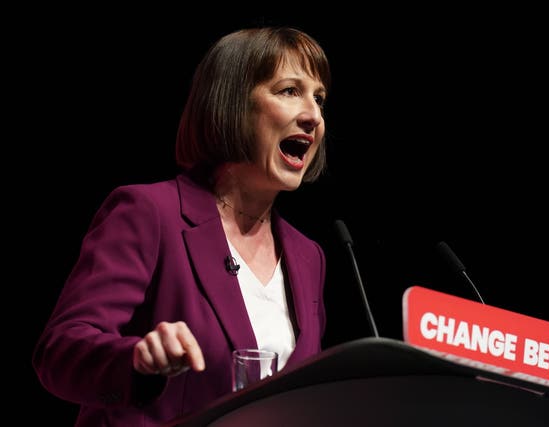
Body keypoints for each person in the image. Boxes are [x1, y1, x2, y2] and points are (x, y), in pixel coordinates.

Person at [32, 26, 330, 426]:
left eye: (320, 98)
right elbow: (59, 350)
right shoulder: (150, 213)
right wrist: (135, 358)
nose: (313, 115)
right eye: (289, 91)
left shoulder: (308, 256)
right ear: (231, 103)